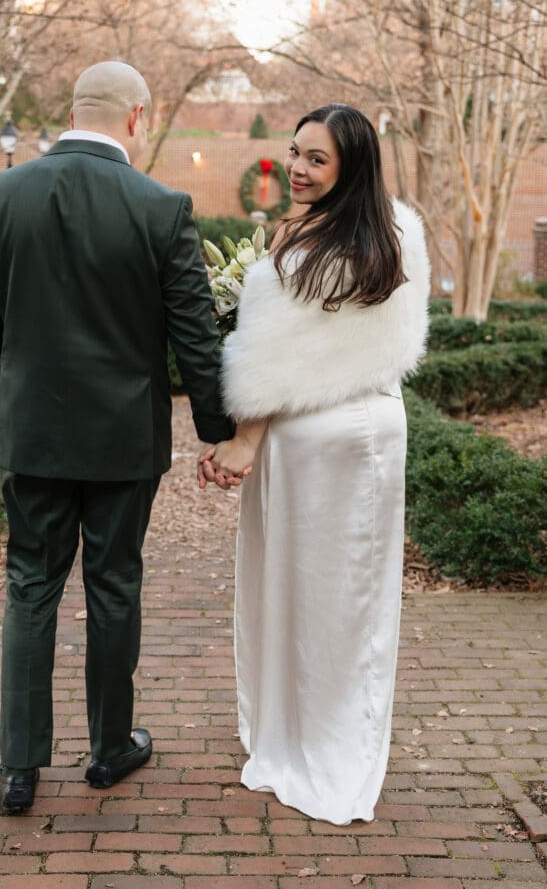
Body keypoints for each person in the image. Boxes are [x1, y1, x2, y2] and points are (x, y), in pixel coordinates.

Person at [0, 61, 234, 814]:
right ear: (137, 117)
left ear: (72, 109)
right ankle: (109, 750)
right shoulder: (160, 206)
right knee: (114, 586)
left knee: (29, 586)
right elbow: (194, 335)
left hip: (31, 434)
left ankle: (19, 769)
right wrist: (219, 433)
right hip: (122, 438)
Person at [199, 104, 429, 823]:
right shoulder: (399, 234)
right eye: (294, 152)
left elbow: (267, 363)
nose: (296, 168)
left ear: (348, 167)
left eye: (315, 159)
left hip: (308, 439)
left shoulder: (297, 249)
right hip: (376, 427)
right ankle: (334, 737)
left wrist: (242, 443)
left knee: (295, 595)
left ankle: (309, 746)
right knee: (352, 604)